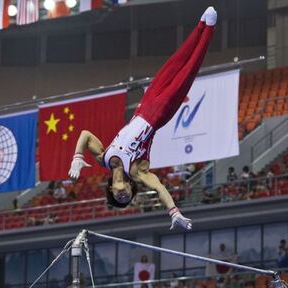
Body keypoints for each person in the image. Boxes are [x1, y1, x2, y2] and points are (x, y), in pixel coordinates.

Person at [68, 7, 217, 230]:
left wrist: (77, 157)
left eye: (119, 198)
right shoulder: (137, 172)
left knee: (174, 63)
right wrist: (173, 211)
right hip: (158, 115)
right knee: (187, 72)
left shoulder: (104, 159)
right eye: (127, 197)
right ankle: (209, 30)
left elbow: (85, 135)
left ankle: (200, 26)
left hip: (143, 106)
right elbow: (159, 187)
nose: (123, 195)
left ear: (111, 190)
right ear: (130, 190)